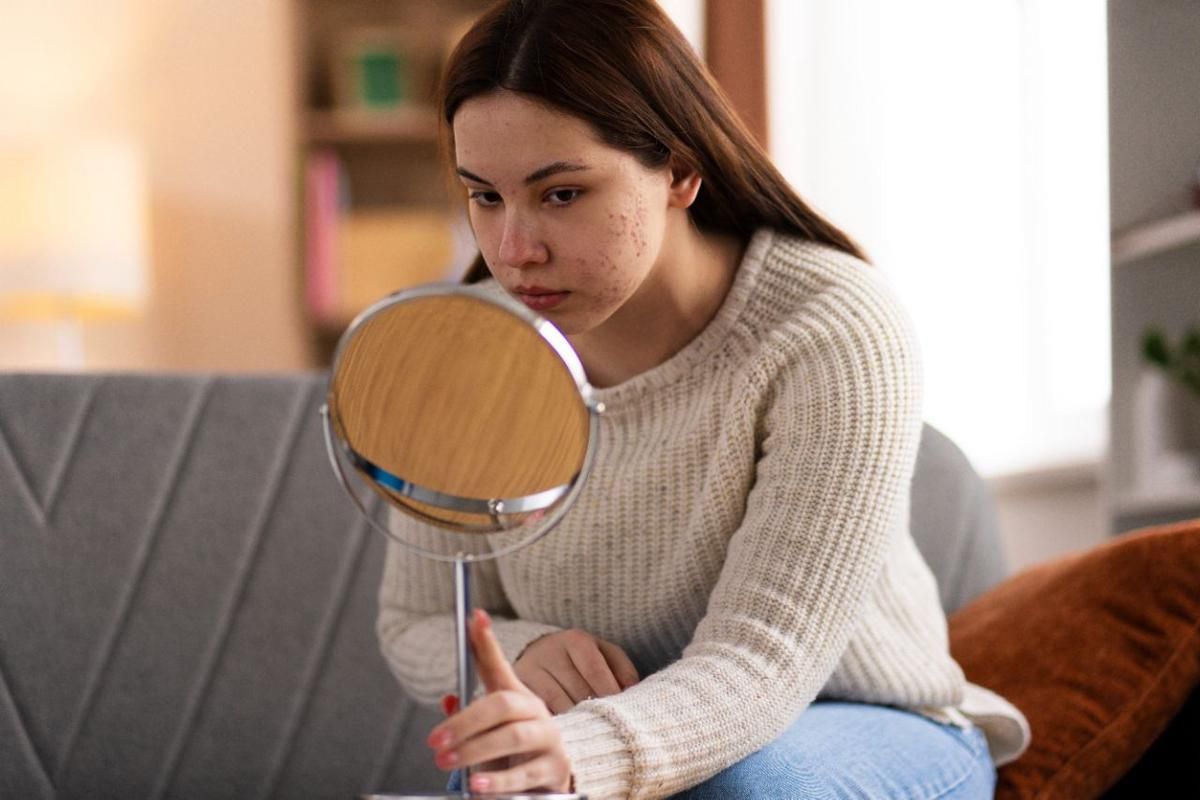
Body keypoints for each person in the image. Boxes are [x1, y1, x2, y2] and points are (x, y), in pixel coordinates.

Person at [377, 0, 1030, 797]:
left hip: (860, 719)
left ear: (681, 171)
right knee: (500, 785)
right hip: (616, 726)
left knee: (734, 792)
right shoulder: (466, 352)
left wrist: (578, 753)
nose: (515, 250)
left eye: (562, 194)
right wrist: (524, 653)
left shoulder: (830, 327)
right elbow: (415, 620)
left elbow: (764, 658)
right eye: (484, 197)